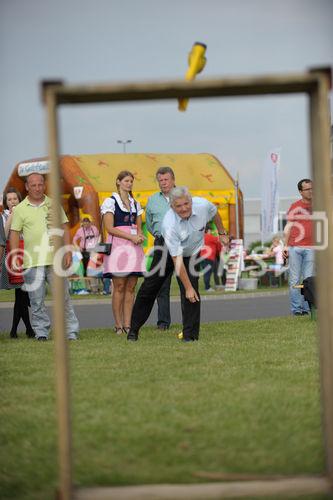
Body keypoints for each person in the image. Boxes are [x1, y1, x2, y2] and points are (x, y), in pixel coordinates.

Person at [127, 186, 229, 342]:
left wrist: (221, 233)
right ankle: (133, 330)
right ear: (172, 207)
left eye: (186, 204)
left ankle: (190, 336)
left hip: (192, 253)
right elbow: (177, 259)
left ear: (191, 201)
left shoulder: (202, 205)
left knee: (193, 294)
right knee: (150, 288)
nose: (184, 208)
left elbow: (214, 213)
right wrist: (187, 287)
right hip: (167, 252)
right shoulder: (169, 224)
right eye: (178, 206)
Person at [9, 173, 79, 340]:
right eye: (33, 185)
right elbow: (14, 234)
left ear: (44, 185)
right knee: (36, 302)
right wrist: (14, 255)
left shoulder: (54, 204)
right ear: (27, 187)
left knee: (64, 299)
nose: (37, 188)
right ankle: (41, 333)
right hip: (31, 263)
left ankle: (71, 332)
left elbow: (64, 227)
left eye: (40, 184)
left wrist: (68, 251)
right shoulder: (20, 209)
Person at [101, 170, 145, 335]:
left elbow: (139, 227)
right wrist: (130, 237)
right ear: (118, 182)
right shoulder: (110, 202)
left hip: (133, 247)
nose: (129, 184)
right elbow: (110, 228)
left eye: (131, 181)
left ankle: (128, 324)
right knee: (119, 286)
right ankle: (118, 325)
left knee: (131, 286)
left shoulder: (135, 203)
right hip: (118, 246)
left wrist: (139, 236)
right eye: (126, 181)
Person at [145, 166, 180, 330]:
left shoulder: (184, 196)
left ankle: (189, 321)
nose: (163, 183)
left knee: (186, 283)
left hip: (181, 242)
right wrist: (160, 236)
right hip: (161, 243)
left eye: (166, 179)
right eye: (160, 180)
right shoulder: (152, 200)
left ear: (173, 180)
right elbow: (150, 225)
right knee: (161, 284)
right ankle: (163, 323)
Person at [0, 187, 35, 339]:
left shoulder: (26, 213)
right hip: (13, 256)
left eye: (15, 198)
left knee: (22, 295)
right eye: (9, 199)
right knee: (21, 294)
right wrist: (12, 216)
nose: (13, 201)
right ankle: (26, 330)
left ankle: (18, 330)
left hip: (26, 255)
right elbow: (5, 234)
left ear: (19, 200)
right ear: (5, 202)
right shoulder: (4, 216)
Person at [283, 178, 314, 316]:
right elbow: (288, 227)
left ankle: (308, 308)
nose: (311, 191)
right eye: (307, 189)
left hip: (312, 248)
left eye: (312, 188)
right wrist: (285, 246)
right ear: (301, 192)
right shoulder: (295, 206)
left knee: (309, 279)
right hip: (295, 247)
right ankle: (297, 309)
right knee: (294, 280)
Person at [200, 223, 222, 292]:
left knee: (205, 272)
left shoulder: (201, 237)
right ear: (208, 230)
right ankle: (207, 287)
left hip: (201, 257)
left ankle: (207, 286)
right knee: (208, 273)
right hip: (209, 257)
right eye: (210, 230)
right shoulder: (211, 237)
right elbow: (219, 244)